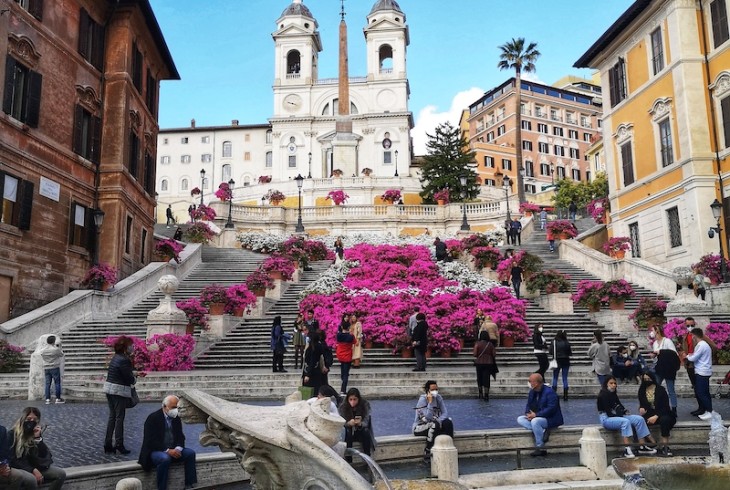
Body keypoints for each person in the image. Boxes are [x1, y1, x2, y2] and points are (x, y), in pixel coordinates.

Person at [138, 395, 198, 490]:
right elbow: (150, 441)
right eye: (173, 407)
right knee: (164, 458)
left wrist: (178, 448)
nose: (176, 410)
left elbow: (180, 437)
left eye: (177, 408)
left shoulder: (176, 418)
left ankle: (190, 485)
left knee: (190, 453)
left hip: (173, 449)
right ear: (165, 407)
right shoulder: (153, 418)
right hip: (155, 451)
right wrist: (167, 450)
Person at [596, 376, 657, 458]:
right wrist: (622, 415)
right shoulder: (603, 395)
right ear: (606, 384)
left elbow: (620, 406)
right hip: (606, 418)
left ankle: (642, 446)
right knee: (625, 421)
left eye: (615, 383)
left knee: (639, 419)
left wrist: (624, 411)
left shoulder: (613, 394)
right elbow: (609, 413)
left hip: (618, 416)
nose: (613, 385)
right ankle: (627, 449)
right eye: (611, 383)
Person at [7, 407, 66, 489]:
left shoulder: (34, 433)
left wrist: (38, 439)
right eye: (29, 419)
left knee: (60, 474)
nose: (31, 421)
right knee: (31, 480)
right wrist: (32, 470)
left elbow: (43, 455)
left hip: (34, 466)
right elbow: (13, 459)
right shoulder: (12, 434)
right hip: (20, 467)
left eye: (34, 419)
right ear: (23, 419)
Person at [516, 374, 564, 457]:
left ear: (536, 383)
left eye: (530, 381)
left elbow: (551, 409)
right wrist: (528, 414)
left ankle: (540, 447)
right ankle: (542, 431)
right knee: (520, 419)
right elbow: (529, 405)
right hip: (537, 417)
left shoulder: (550, 392)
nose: (529, 383)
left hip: (551, 419)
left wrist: (536, 415)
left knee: (535, 421)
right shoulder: (532, 392)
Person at [103, 336, 136, 454]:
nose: (133, 347)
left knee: (112, 417)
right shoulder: (124, 360)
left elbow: (120, 372)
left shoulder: (116, 358)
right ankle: (119, 444)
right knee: (119, 418)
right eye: (131, 345)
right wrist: (135, 378)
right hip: (118, 391)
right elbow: (129, 378)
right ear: (125, 348)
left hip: (109, 389)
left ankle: (107, 443)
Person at [413, 380, 454, 462]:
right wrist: (430, 403)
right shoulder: (422, 400)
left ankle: (449, 448)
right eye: (432, 390)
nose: (435, 391)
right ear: (428, 390)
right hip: (420, 427)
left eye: (436, 389)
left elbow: (445, 413)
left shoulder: (439, 398)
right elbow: (426, 419)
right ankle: (428, 450)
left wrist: (439, 420)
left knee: (448, 423)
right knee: (434, 425)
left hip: (436, 423)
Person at [638, 371, 676, 457]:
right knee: (639, 421)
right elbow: (642, 404)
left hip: (663, 412)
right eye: (645, 379)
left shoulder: (660, 389)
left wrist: (656, 416)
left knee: (665, 420)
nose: (647, 381)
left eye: (649, 379)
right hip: (649, 413)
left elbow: (666, 406)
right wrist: (641, 408)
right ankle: (648, 444)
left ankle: (665, 446)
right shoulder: (641, 390)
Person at [683, 327, 715, 420]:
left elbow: (694, 358)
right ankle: (707, 410)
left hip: (702, 372)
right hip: (703, 371)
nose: (692, 337)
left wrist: (686, 356)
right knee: (705, 392)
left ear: (695, 335)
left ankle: (709, 411)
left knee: (701, 393)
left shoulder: (701, 345)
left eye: (692, 335)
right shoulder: (703, 344)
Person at [650, 325, 680, 416]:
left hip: (669, 369)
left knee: (671, 389)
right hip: (659, 368)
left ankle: (674, 408)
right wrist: (654, 356)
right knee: (655, 387)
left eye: (652, 330)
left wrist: (661, 352)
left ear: (657, 331)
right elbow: (657, 357)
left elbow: (674, 354)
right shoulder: (655, 343)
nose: (651, 333)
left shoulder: (667, 341)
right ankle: (656, 406)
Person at [338, 388, 375, 461]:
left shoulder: (364, 405)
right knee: (348, 431)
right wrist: (348, 423)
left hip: (360, 431)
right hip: (348, 433)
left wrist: (360, 423)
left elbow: (367, 421)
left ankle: (367, 456)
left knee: (365, 431)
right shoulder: (343, 407)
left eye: (355, 399)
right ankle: (348, 458)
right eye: (350, 399)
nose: (353, 402)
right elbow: (340, 422)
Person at [303, 331, 328, 397]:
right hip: (317, 371)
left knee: (310, 393)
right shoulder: (320, 346)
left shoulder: (312, 348)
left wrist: (308, 374)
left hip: (311, 372)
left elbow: (312, 361)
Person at [41, 335, 65, 405]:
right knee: (57, 383)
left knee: (47, 384)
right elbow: (61, 354)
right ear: (54, 341)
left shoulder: (43, 350)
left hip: (46, 368)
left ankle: (47, 399)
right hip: (54, 367)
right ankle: (58, 398)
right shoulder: (55, 349)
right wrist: (57, 347)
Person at [473, 331, 497, 401]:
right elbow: (494, 354)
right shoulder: (490, 344)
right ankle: (486, 394)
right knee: (487, 379)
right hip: (488, 363)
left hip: (479, 363)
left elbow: (474, 354)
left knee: (479, 378)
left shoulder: (477, 344)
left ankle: (480, 393)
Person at [551, 330, 572, 401]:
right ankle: (565, 395)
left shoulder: (554, 342)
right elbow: (570, 353)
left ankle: (553, 394)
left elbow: (551, 351)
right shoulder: (566, 342)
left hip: (557, 360)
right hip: (566, 361)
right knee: (565, 378)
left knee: (555, 377)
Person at [336, 321, 355, 394]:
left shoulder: (339, 335)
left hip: (340, 355)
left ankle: (342, 382)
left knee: (343, 370)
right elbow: (355, 342)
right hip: (347, 356)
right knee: (346, 373)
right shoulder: (350, 336)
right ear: (349, 327)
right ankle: (343, 390)